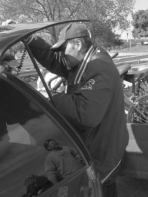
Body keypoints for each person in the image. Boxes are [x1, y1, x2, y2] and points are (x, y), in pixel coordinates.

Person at [26, 23, 128, 196]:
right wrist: (31, 40)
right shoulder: (85, 58)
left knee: (103, 191)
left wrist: (49, 98)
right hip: (101, 144)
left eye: (63, 48)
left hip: (103, 154)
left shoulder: (97, 68)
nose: (61, 54)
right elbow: (55, 60)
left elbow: (85, 114)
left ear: (78, 44)